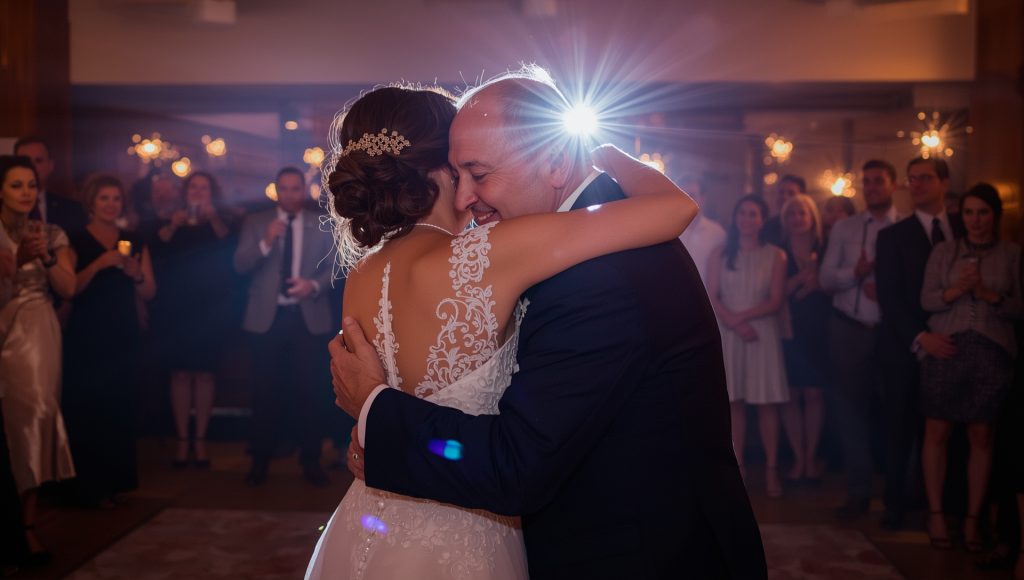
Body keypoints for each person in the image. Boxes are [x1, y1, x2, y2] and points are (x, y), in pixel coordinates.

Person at [327, 72, 765, 579]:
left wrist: (376, 416)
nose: (468, 196)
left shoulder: (598, 272)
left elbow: (518, 463)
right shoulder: (522, 249)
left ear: (555, 161)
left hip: (641, 555)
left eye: (478, 172)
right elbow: (675, 206)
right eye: (458, 173)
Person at [918, 183, 1021, 551]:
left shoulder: (1011, 254)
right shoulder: (945, 252)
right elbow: (927, 300)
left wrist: (989, 295)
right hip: (946, 348)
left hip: (992, 352)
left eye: (983, 213)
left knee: (981, 435)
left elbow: (1019, 308)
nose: (975, 220)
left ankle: (974, 520)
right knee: (937, 429)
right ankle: (935, 514)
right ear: (961, 216)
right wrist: (957, 290)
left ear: (994, 215)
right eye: (969, 213)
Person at [876, 156, 965, 530]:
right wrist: (921, 336)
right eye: (912, 179)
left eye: (925, 178)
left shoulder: (965, 229)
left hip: (957, 346)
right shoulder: (892, 236)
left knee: (955, 432)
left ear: (944, 182)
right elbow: (890, 298)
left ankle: (951, 509)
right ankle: (895, 506)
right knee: (899, 429)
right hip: (906, 346)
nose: (917, 185)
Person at [234, 167, 334, 487]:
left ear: (303, 191)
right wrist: (265, 242)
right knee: (264, 393)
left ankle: (311, 460)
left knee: (311, 392)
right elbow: (239, 265)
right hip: (267, 319)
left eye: (295, 189)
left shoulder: (321, 223)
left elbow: (337, 269)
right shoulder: (256, 222)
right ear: (275, 190)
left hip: (307, 318)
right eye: (284, 188)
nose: (290, 194)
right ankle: (260, 461)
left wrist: (313, 286)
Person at [0, 155, 76, 563]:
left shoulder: (51, 232)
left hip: (35, 332)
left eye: (31, 184)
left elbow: (69, 288)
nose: (27, 192)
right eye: (16, 185)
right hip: (1, 324)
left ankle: (27, 526)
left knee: (33, 418)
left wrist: (43, 257)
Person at [63, 174, 155, 508]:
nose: (111, 204)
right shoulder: (75, 239)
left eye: (116, 198)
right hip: (87, 334)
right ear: (91, 202)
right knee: (89, 408)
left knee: (119, 407)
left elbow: (149, 291)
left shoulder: (133, 239)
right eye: (104, 198)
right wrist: (100, 263)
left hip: (122, 333)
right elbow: (69, 287)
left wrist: (136, 273)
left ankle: (116, 483)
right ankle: (88, 486)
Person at [822, 159, 902, 521]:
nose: (871, 187)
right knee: (850, 412)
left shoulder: (906, 228)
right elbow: (825, 278)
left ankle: (898, 496)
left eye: (878, 181)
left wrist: (884, 289)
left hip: (891, 332)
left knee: (895, 413)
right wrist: (854, 273)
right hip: (848, 328)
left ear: (893, 185)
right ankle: (858, 492)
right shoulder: (845, 228)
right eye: (866, 181)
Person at [707, 194, 789, 498]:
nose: (747, 219)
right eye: (742, 213)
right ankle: (738, 467)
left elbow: (776, 300)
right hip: (730, 332)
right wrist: (732, 321)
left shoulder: (776, 255)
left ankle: (771, 469)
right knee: (734, 402)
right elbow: (712, 294)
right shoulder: (720, 253)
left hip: (761, 332)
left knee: (767, 403)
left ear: (763, 219)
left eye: (753, 214)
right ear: (735, 217)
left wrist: (742, 318)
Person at [153, 171, 235, 469]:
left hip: (209, 309)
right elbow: (158, 248)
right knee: (179, 375)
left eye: (204, 188)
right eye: (194, 187)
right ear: (185, 191)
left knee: (204, 375)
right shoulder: (172, 220)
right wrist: (173, 224)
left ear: (212, 193)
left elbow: (230, 254)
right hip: (177, 309)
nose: (198, 192)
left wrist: (212, 217)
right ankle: (181, 440)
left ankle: (199, 440)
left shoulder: (221, 223)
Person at [778, 193, 830, 486]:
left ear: (812, 218)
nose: (797, 218)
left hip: (819, 329)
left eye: (802, 213)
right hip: (788, 329)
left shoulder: (825, 248)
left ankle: (812, 457)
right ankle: (798, 458)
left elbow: (832, 283)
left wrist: (813, 280)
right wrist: (801, 280)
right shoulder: (779, 249)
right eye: (792, 214)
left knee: (814, 394)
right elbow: (775, 290)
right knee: (792, 394)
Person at [13, 137, 87, 236]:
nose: (32, 166)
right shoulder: (4, 210)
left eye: (38, 160)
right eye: (25, 161)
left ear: (50, 165)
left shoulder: (73, 210)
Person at [676, 174, 725, 286]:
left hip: (705, 300)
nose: (686, 200)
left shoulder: (717, 233)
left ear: (702, 199)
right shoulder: (667, 232)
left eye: (691, 195)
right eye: (681, 195)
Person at [762, 174, 805, 246]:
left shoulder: (808, 226)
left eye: (791, 193)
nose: (784, 197)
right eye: (781, 192)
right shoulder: (768, 226)